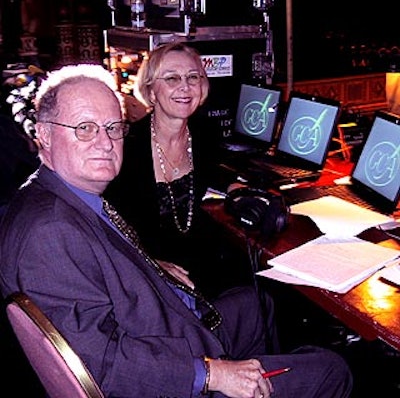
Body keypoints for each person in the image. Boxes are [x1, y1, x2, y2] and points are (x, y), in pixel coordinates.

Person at [0, 64, 353, 398]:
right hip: (162, 372)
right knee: (332, 369)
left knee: (255, 303)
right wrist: (213, 375)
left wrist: (147, 266)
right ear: (43, 134)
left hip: (157, 329)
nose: (106, 143)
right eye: (85, 128)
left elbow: (90, 269)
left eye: (113, 128)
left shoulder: (54, 197)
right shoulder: (49, 231)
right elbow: (103, 363)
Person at [105, 42, 254, 300]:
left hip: (203, 261)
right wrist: (150, 265)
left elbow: (218, 169)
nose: (185, 87)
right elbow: (107, 228)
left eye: (193, 77)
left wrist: (235, 188)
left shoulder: (204, 132)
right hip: (148, 273)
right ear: (151, 91)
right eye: (172, 78)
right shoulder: (126, 148)